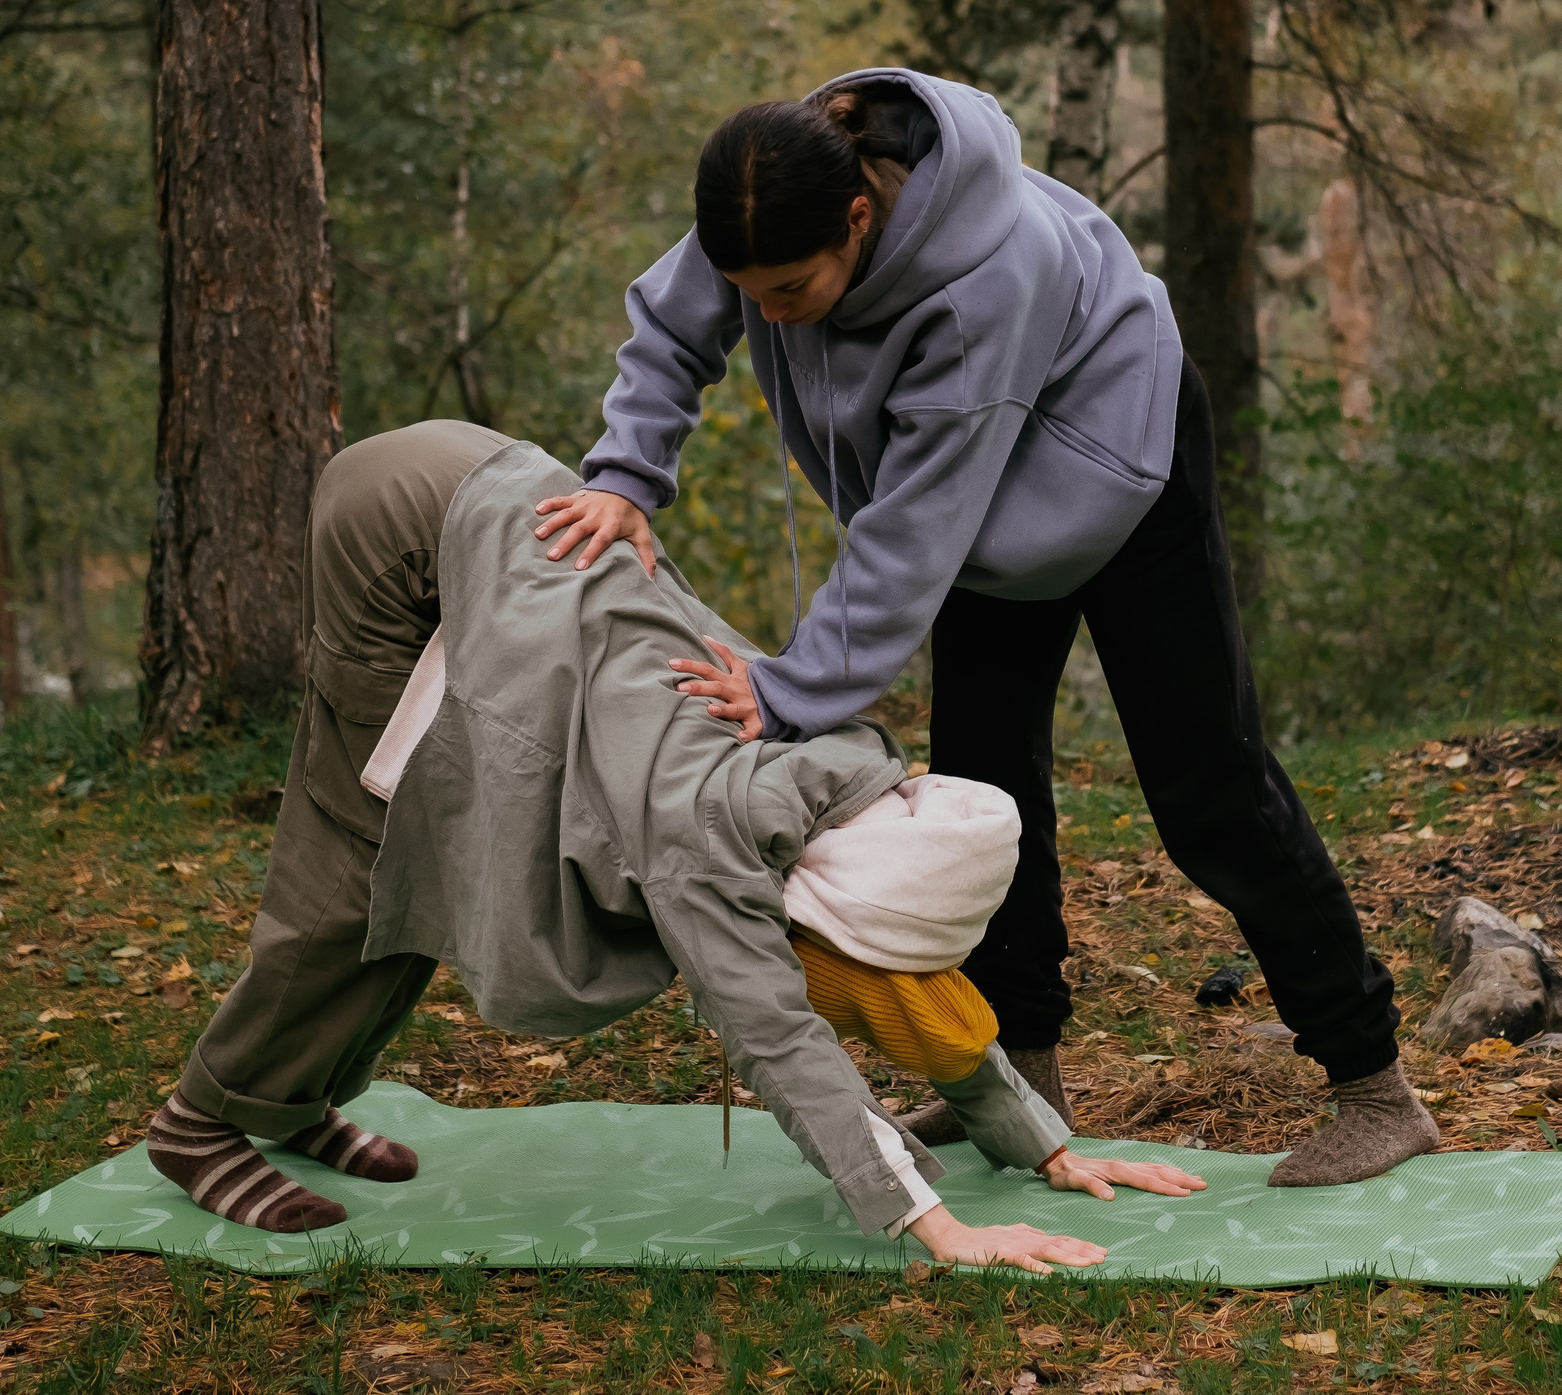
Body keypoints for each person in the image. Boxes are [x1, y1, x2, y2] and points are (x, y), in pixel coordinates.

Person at [534, 69, 1439, 1186]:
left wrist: (788, 689)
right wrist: (626, 473)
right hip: (976, 486)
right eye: (746, 290)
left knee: (1208, 783)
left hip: (1122, 461)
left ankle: (1374, 1086)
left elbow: (912, 528)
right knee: (980, 788)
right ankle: (1023, 1076)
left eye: (790, 290)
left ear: (857, 219)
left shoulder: (984, 280)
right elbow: (677, 320)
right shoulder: (774, 189)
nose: (765, 313)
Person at [148, 421, 1203, 1270]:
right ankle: (202, 1120)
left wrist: (1041, 1144)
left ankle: (289, 1099)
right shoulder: (711, 835)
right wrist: (939, 1226)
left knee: (423, 854)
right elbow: (779, 1038)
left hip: (497, 484)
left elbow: (905, 983)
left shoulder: (848, 780)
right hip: (396, 533)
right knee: (375, 848)